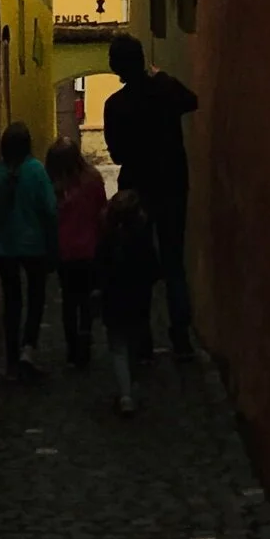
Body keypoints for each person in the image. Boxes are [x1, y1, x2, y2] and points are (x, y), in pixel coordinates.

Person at [101, 35, 198, 361]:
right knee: (173, 262)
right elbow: (192, 100)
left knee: (136, 264)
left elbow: (115, 155)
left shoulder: (115, 105)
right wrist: (163, 77)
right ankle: (181, 337)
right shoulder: (164, 91)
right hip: (172, 183)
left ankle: (142, 341)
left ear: (116, 66)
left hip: (137, 190)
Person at [0, 121, 56, 378]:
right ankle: (29, 347)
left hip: (5, 247)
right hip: (33, 245)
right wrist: (52, 244)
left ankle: (12, 358)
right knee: (36, 297)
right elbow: (49, 209)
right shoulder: (35, 171)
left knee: (12, 301)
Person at [96, 185, 158, 417]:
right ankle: (130, 387)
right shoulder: (141, 239)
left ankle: (125, 394)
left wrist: (98, 290)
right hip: (138, 300)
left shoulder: (108, 241)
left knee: (118, 346)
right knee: (133, 343)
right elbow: (153, 269)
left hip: (114, 300)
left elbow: (99, 269)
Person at [46, 132, 107, 369]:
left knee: (69, 301)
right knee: (86, 299)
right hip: (90, 249)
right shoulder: (93, 180)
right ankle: (85, 340)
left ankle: (73, 349)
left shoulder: (53, 187)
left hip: (66, 253)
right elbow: (102, 212)